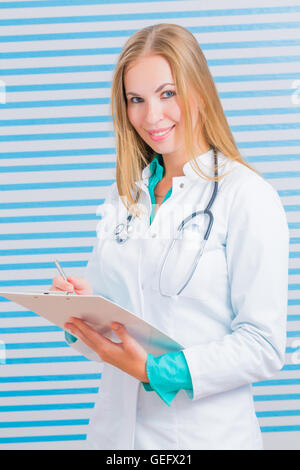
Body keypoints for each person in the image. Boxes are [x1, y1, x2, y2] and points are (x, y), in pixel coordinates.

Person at [50, 24, 290, 450]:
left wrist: (157, 372)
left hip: (205, 438)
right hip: (115, 438)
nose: (151, 117)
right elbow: (113, 332)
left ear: (198, 89)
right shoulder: (124, 196)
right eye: (136, 100)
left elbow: (264, 344)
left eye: (167, 93)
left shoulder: (248, 196)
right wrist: (81, 312)